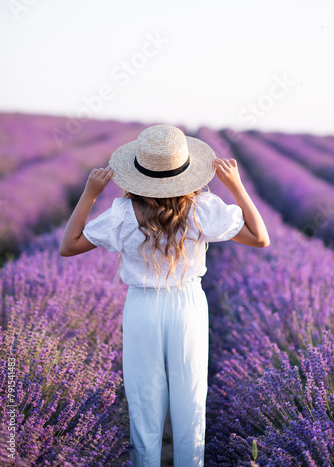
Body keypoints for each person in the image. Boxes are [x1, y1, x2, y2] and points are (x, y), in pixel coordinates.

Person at [59, 124, 270, 467]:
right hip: (188, 306)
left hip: (142, 307)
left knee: (144, 402)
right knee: (191, 401)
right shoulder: (202, 209)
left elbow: (68, 246)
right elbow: (260, 237)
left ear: (138, 174)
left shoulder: (123, 215)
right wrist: (237, 186)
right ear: (185, 171)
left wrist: (90, 193)